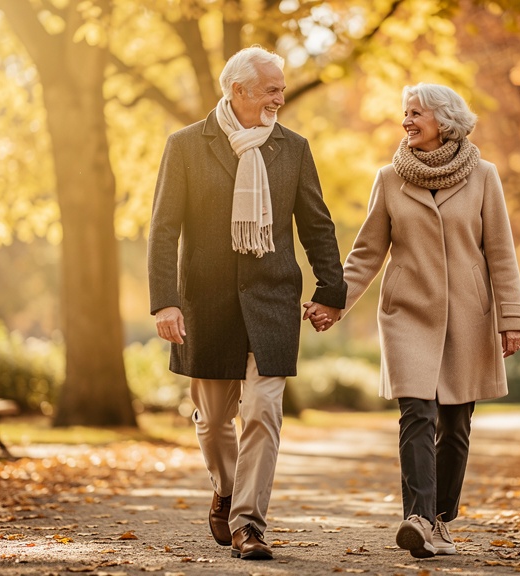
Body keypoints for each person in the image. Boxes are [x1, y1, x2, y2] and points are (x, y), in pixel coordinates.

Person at [304, 83, 520, 559]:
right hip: (408, 313)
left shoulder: (484, 176)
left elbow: (501, 254)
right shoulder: (389, 178)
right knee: (417, 414)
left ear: (444, 120)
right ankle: (418, 520)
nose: (406, 121)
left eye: (415, 113)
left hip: (469, 315)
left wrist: (512, 317)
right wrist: (333, 301)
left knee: (456, 423)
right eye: (404, 113)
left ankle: (441, 519)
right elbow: (367, 252)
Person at [147, 46, 346, 561]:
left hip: (272, 299)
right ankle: (227, 490)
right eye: (272, 89)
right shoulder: (187, 145)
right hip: (206, 303)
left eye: (280, 89)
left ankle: (249, 524)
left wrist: (331, 291)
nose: (281, 98)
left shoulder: (293, 148)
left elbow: (317, 225)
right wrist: (165, 302)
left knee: (263, 411)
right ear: (238, 91)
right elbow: (163, 230)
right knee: (213, 422)